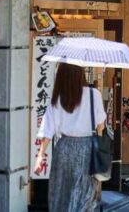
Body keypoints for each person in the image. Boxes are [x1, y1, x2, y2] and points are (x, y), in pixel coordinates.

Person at [34, 63, 106, 211]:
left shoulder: (58, 98)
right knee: (84, 192)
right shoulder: (94, 95)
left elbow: (48, 130)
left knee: (61, 192)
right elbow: (101, 126)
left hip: (64, 148)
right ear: (81, 74)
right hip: (88, 148)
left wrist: (40, 156)